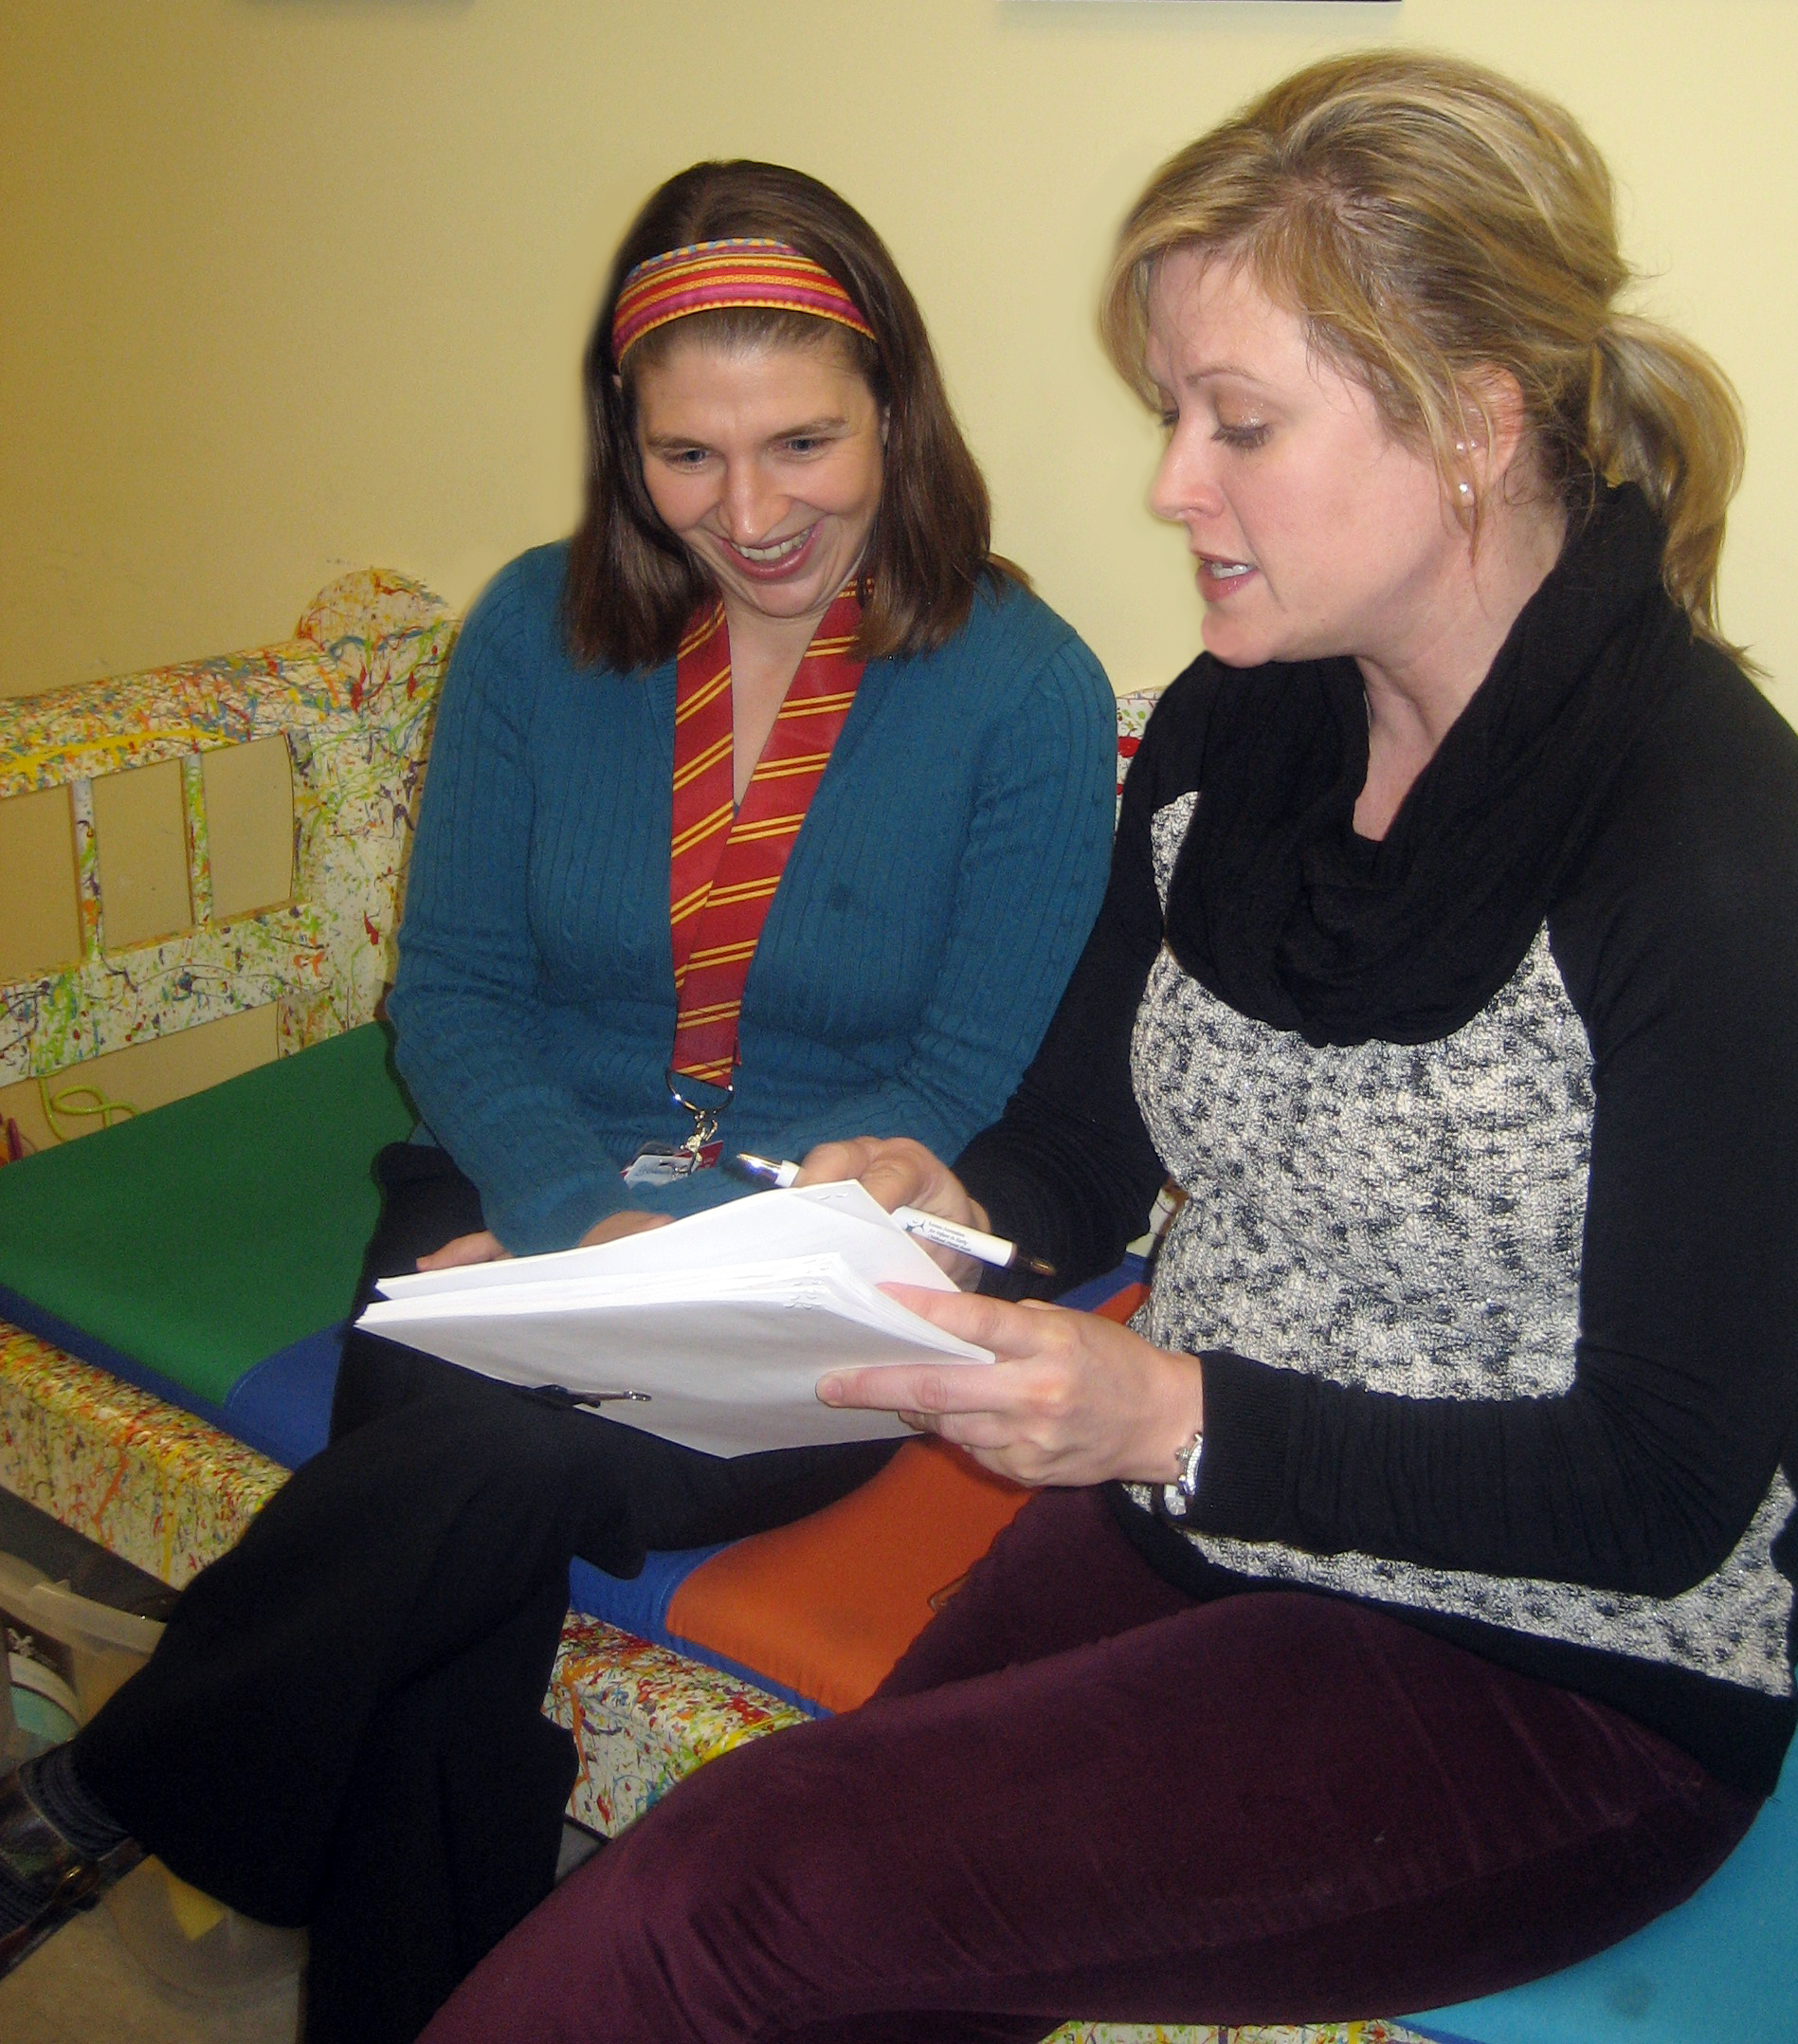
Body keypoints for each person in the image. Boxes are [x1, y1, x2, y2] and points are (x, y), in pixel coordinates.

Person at [417, 50, 1798, 2043]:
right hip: (1209, 1513)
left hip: (1558, 1670)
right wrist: (958, 1197)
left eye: (1240, 424)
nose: (1168, 483)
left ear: (1475, 419)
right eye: (1172, 412)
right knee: (828, 1916)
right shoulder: (1238, 723)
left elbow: (1666, 1488)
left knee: (724, 1906)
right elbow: (1087, 1142)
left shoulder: (1706, 841)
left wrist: (1176, 1420)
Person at [0, 162, 1114, 2035]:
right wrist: (545, 1204)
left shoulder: (1025, 685)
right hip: (516, 1195)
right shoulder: (537, 629)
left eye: (803, 444)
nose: (751, 514)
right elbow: (454, 991)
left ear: (898, 415)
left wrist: (747, 1223)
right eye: (689, 456)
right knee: (480, 1514)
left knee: (469, 1462)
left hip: (802, 1272)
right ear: (624, 441)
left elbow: (954, 1068)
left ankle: (109, 1794)